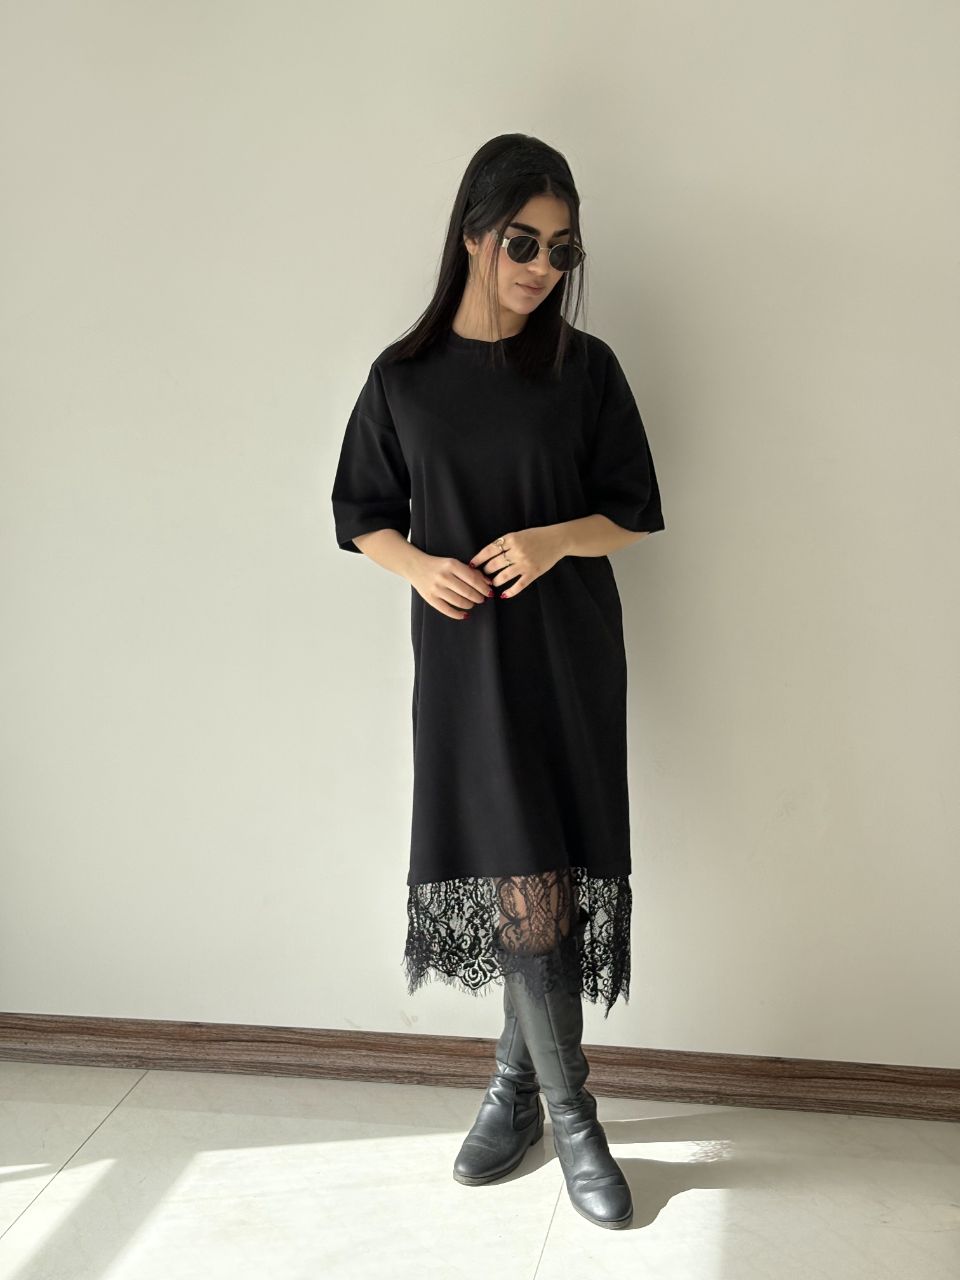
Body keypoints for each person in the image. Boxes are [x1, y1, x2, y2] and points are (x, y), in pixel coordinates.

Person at [331, 133, 665, 1230]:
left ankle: (516, 1092)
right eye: (525, 242)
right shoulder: (403, 379)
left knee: (549, 870)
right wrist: (419, 565)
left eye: (563, 250)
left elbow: (632, 509)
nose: (543, 267)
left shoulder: (586, 369)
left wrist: (554, 538)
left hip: (570, 655)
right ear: (474, 232)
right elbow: (361, 512)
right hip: (467, 667)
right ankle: (572, 1119)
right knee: (527, 874)